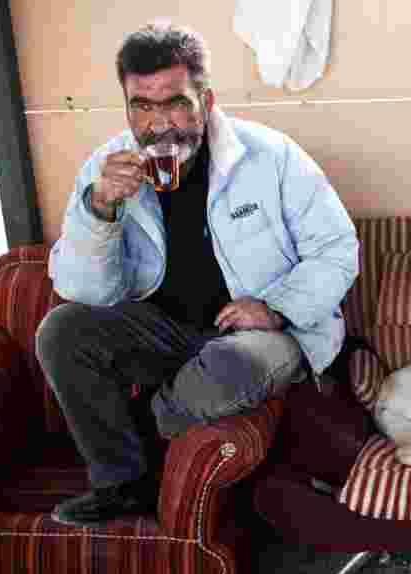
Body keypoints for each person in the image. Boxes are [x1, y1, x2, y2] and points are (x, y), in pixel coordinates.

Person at [35, 21, 359, 527]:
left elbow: (338, 248)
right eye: (142, 106)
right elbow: (82, 291)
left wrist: (277, 307)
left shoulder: (271, 157)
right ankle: (122, 484)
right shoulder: (108, 168)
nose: (159, 124)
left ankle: (148, 431)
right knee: (61, 330)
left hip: (257, 335)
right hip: (163, 333)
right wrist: (100, 210)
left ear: (205, 101)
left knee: (229, 366)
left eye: (175, 103)